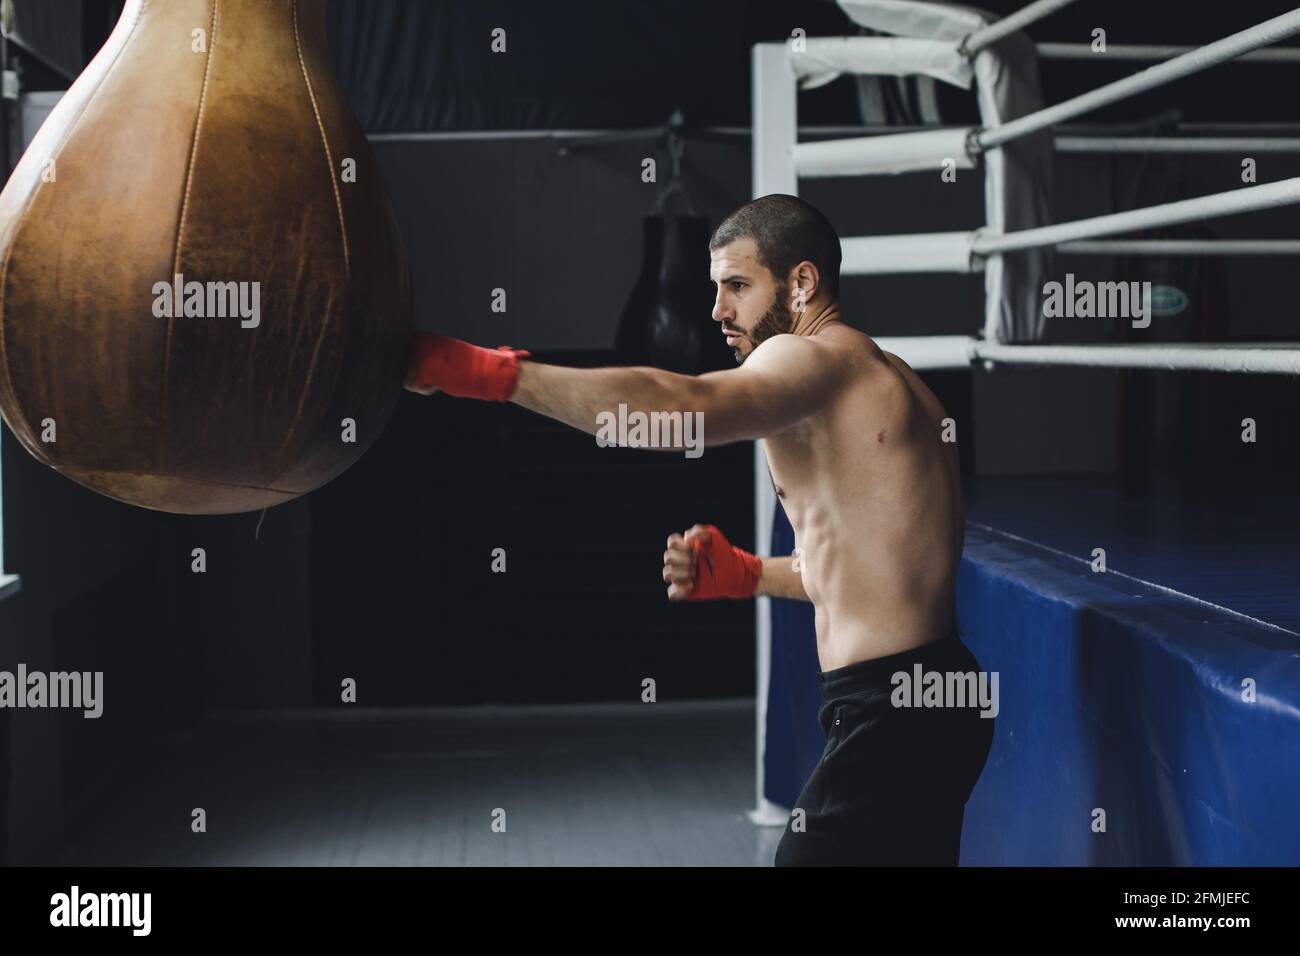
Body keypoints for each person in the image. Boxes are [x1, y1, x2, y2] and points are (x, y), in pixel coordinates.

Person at [405, 193, 994, 865]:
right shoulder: (891, 382)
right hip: (933, 690)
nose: (717, 310)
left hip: (895, 709)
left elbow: (683, 408)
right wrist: (749, 574)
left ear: (801, 283)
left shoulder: (814, 362)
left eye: (738, 286)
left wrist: (486, 375)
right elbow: (874, 571)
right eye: (716, 289)